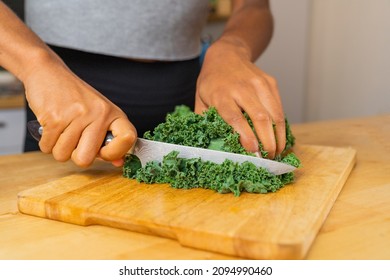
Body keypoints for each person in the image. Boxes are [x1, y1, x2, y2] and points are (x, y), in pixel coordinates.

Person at [0, 0, 286, 168]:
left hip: (185, 90)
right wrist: (36, 63)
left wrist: (232, 47)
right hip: (63, 93)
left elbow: (255, 6)